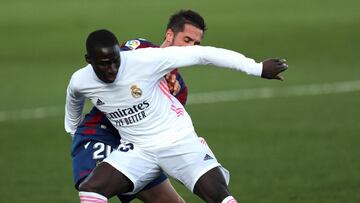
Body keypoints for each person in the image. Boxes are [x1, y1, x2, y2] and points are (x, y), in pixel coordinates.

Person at [65, 29, 288, 203]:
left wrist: (257, 68)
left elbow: (201, 54)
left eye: (116, 60)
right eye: (105, 64)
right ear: (89, 60)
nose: (113, 68)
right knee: (91, 190)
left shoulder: (144, 60)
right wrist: (73, 129)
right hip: (136, 150)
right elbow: (74, 100)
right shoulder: (81, 81)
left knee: (219, 196)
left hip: (178, 142)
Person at [70, 10, 212, 203]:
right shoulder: (139, 49)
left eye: (196, 44)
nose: (191, 48)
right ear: (169, 35)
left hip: (138, 148)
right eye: (187, 40)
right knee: (94, 189)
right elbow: (112, 67)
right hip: (101, 133)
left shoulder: (180, 89)